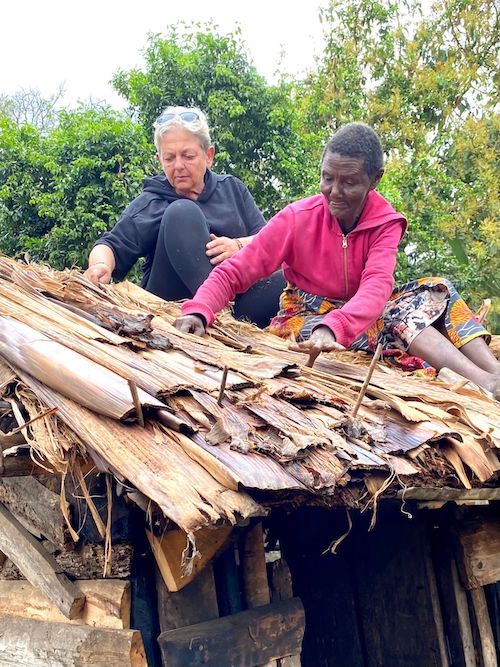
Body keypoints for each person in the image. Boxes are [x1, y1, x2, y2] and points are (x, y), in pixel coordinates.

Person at [174, 122, 500, 398]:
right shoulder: (297, 219)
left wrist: (340, 324)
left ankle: (492, 373)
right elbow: (236, 270)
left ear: (375, 180)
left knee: (437, 290)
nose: (334, 192)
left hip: (363, 310)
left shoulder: (384, 223)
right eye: (327, 178)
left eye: (349, 182)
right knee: (394, 316)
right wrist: (200, 309)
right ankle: (483, 384)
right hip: (307, 317)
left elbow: (376, 286)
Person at [84, 105, 284, 328]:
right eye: (169, 158)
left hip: (237, 305)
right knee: (182, 213)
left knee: (291, 275)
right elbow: (110, 245)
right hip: (173, 308)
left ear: (209, 156)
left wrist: (238, 245)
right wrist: (100, 266)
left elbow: (270, 241)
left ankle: (223, 314)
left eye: (188, 156)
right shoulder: (152, 201)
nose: (178, 166)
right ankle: (212, 311)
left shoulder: (232, 189)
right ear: (159, 158)